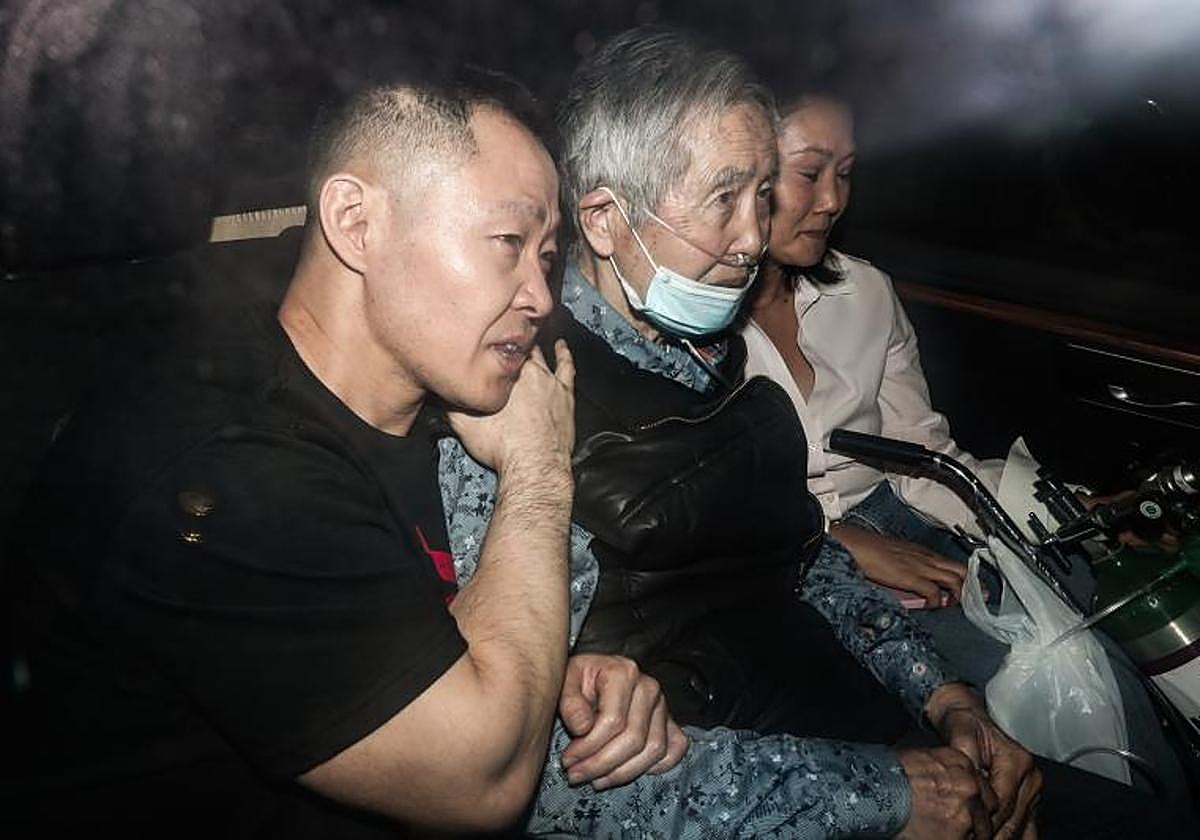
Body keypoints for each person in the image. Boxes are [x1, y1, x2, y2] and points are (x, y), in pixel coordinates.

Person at [440, 26, 1193, 839]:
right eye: (724, 199)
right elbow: (543, 776)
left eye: (762, 195)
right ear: (604, 220)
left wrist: (947, 699)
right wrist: (884, 796)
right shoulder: (522, 406)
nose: (752, 238)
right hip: (763, 784)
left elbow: (803, 559)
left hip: (852, 727)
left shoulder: (706, 352)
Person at [0, 69, 689, 837]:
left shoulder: (433, 415)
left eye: (547, 255)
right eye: (508, 243)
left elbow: (397, 641)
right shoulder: (223, 467)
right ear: (356, 224)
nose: (541, 296)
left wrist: (556, 681)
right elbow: (480, 778)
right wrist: (539, 471)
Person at [741, 91, 1190, 801]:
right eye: (810, 173)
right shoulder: (689, 326)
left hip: (902, 513)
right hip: (788, 559)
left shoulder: (864, 292)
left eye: (846, 173)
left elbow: (923, 456)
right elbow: (714, 505)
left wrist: (1065, 512)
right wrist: (836, 540)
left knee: (1103, 605)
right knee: (1033, 670)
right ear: (742, 172)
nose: (833, 201)